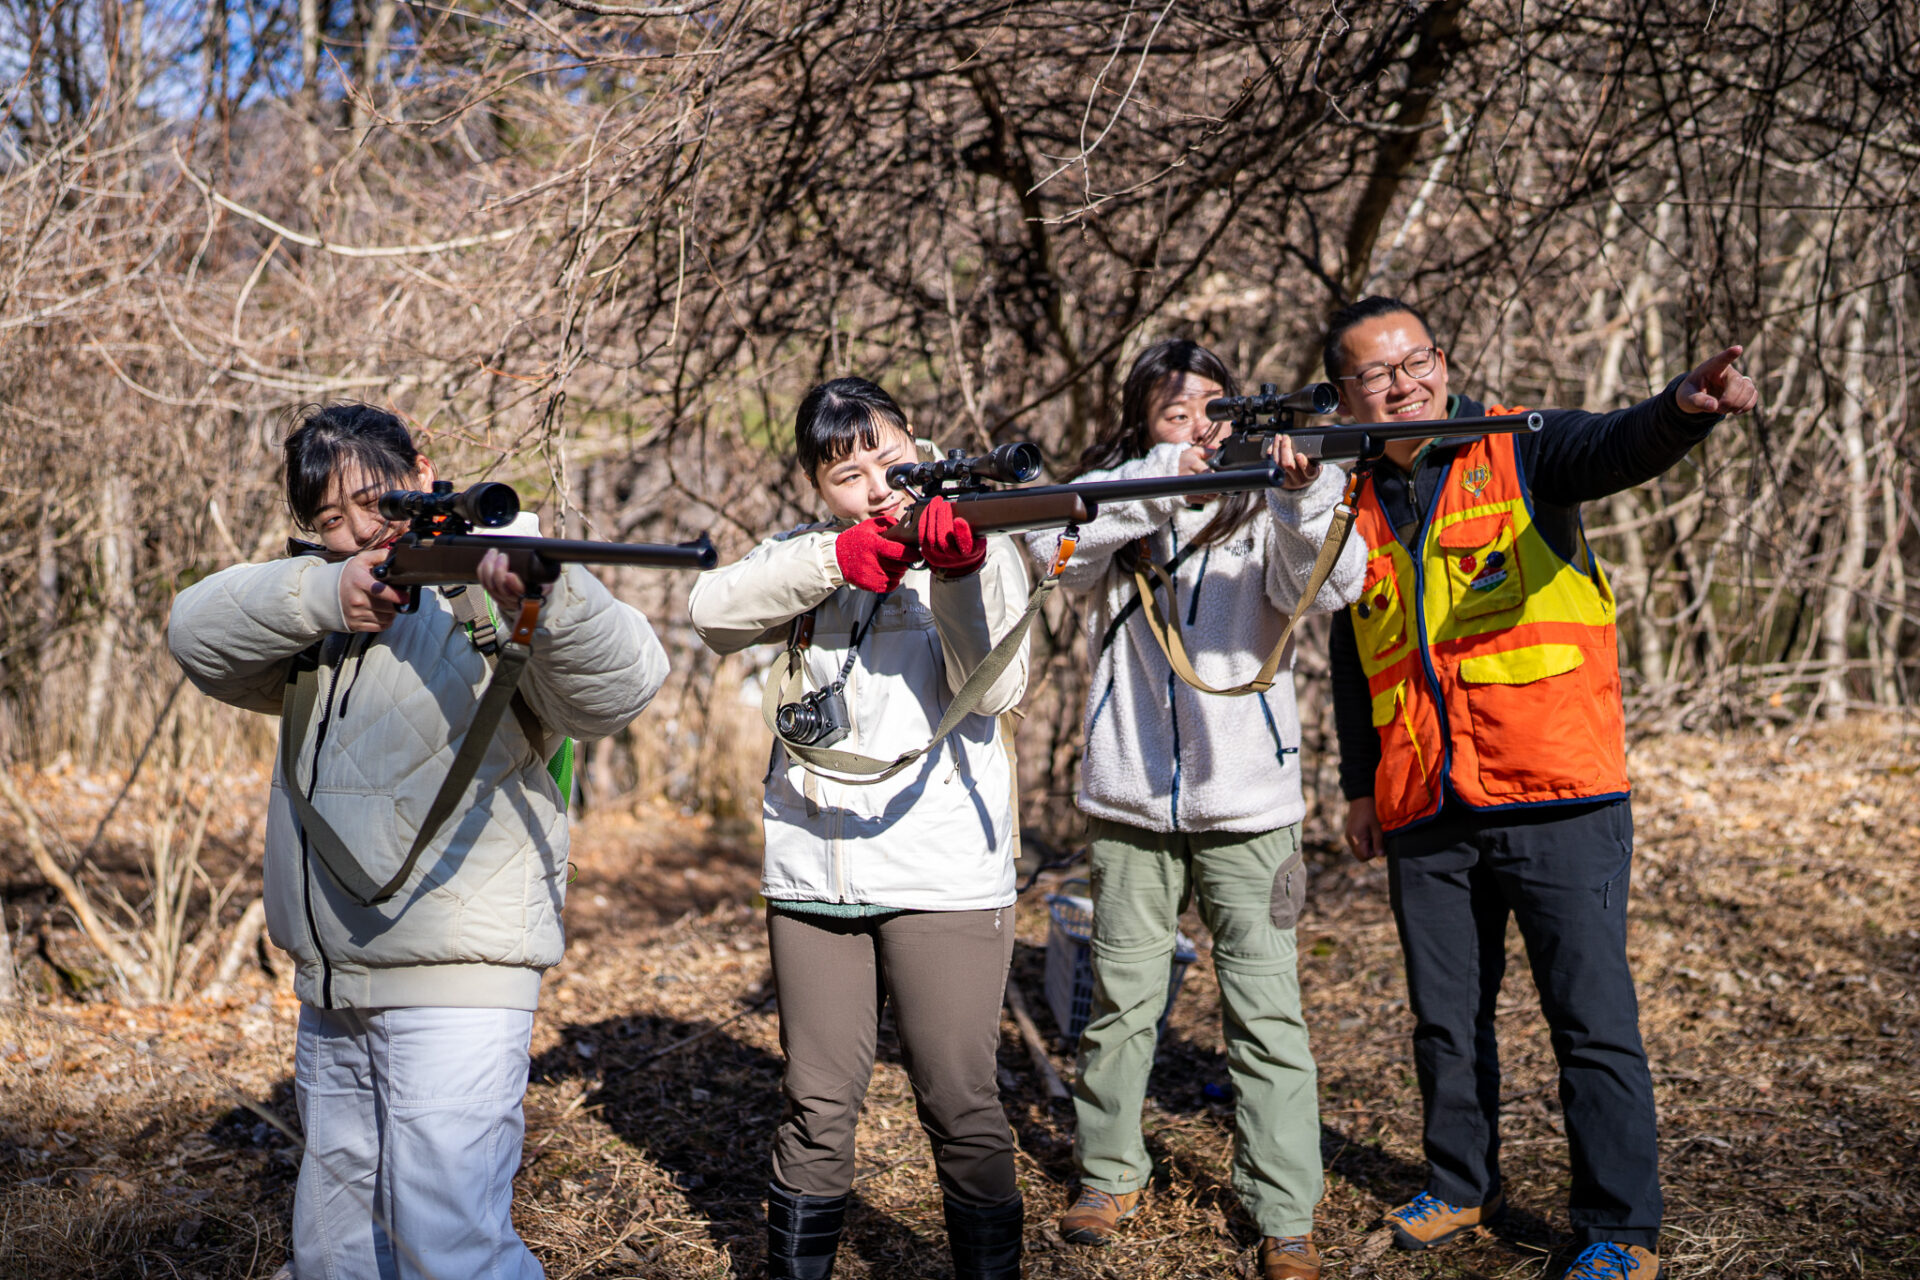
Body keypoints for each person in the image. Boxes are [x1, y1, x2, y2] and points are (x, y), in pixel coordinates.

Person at [168, 403, 668, 1280]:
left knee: (451, 1246)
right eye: (328, 520)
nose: (358, 530)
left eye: (372, 502)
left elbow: (623, 685)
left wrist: (547, 598)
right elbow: (194, 630)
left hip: (458, 979)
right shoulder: (323, 608)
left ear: (423, 472)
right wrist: (330, 590)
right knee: (335, 1249)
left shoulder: (494, 587)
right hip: (334, 976)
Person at [1322, 296, 1758, 1280]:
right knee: (1445, 1012)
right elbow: (1358, 655)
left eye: (1419, 358)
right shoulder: (1345, 501)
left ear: (1443, 359)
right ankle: (1461, 1183)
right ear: (1343, 394)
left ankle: (1620, 1227)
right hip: (1426, 799)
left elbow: (1612, 445)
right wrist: (1359, 784)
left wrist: (1682, 406)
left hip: (1555, 785)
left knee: (1589, 1015)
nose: (1407, 381)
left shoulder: (1519, 444)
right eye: (1379, 373)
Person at [1024, 338, 1365, 1280]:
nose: (1196, 429)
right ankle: (1107, 1173)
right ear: (1142, 423)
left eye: (1209, 410)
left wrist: (1299, 494)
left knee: (1267, 1009)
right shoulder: (1121, 496)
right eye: (1172, 413)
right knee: (1121, 1005)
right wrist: (1156, 478)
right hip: (1130, 800)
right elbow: (1052, 555)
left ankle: (1285, 1208)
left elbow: (1336, 586)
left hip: (1253, 809)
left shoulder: (1272, 497)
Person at [687, 378, 1033, 1280]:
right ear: (817, 485)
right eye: (847, 474)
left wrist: (956, 574)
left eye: (889, 460)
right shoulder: (806, 553)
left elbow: (997, 689)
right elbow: (712, 615)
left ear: (921, 441)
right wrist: (841, 558)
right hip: (813, 876)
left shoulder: (981, 541)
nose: (877, 487)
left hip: (944, 875)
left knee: (960, 1102)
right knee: (814, 1104)